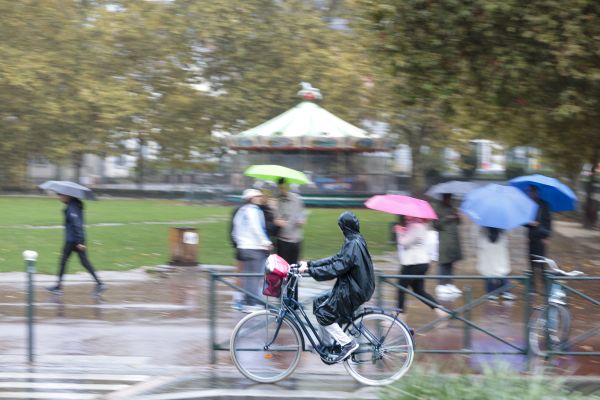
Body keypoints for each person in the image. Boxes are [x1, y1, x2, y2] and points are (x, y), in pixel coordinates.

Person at [299, 211, 374, 363]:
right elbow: (336, 259)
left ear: (345, 227)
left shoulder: (353, 244)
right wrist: (311, 264)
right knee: (319, 302)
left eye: (341, 226)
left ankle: (348, 344)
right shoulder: (354, 240)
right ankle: (326, 345)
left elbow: (337, 267)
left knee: (324, 313)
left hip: (353, 290)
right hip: (354, 287)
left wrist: (311, 271)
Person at [47, 194, 105, 295]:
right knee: (83, 262)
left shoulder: (72, 208)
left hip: (73, 240)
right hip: (75, 239)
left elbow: (77, 224)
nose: (59, 198)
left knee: (63, 261)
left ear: (67, 196)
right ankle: (100, 284)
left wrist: (80, 242)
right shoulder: (73, 205)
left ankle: (58, 287)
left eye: (61, 196)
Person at [395, 216, 446, 318]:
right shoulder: (419, 225)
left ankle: (399, 316)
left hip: (413, 263)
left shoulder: (415, 226)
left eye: (408, 215)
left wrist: (399, 231)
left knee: (401, 288)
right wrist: (405, 230)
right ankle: (440, 309)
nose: (406, 216)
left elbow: (403, 243)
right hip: (421, 263)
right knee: (419, 291)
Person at [232, 188, 273, 312]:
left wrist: (240, 243)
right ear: (252, 198)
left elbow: (235, 231)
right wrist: (266, 242)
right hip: (254, 248)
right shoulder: (254, 211)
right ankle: (251, 303)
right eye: (258, 196)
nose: (260, 198)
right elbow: (256, 228)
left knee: (248, 276)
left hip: (243, 248)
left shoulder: (241, 211)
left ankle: (247, 301)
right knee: (254, 277)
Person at [433, 193, 463, 297]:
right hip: (445, 239)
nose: (450, 200)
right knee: (444, 262)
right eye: (448, 198)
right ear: (444, 198)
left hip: (454, 239)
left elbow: (458, 223)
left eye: (451, 198)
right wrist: (447, 218)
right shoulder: (438, 208)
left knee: (451, 262)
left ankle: (449, 284)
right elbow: (436, 225)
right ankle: (441, 284)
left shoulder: (452, 208)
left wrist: (458, 216)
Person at [476, 226, 515, 301]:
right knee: (503, 273)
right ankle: (506, 292)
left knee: (489, 274)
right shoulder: (503, 238)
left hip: (488, 263)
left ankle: (491, 293)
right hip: (500, 262)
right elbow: (506, 244)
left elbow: (479, 245)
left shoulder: (482, 238)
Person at [525, 185, 552, 294]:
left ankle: (544, 286)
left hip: (541, 238)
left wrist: (547, 237)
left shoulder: (544, 205)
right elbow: (523, 222)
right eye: (529, 192)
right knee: (531, 263)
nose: (530, 194)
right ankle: (532, 287)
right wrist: (529, 223)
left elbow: (549, 222)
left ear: (537, 192)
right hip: (531, 237)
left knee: (541, 263)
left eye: (532, 191)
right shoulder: (527, 205)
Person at [275, 178, 306, 265]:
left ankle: (293, 278)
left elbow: (302, 213)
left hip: (296, 239)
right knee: (283, 266)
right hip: (283, 240)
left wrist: (301, 219)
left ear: (287, 187)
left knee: (294, 265)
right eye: (280, 187)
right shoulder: (277, 201)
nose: (282, 189)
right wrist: (277, 221)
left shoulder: (296, 199)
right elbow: (274, 218)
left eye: (284, 187)